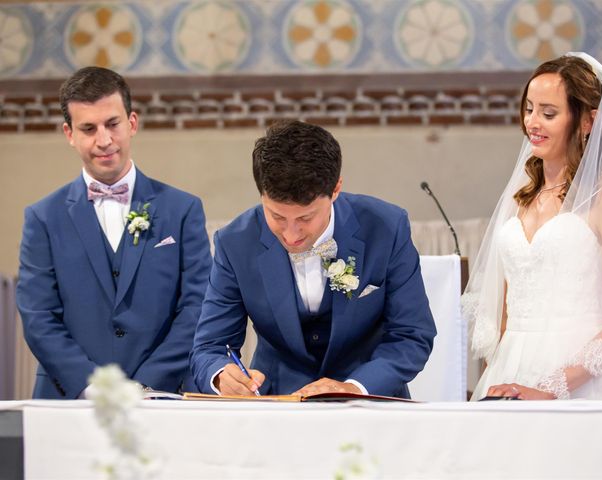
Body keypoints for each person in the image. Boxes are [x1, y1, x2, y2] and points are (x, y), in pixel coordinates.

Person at [190, 120, 436, 398]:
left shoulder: (386, 227)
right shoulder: (235, 242)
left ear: (335, 189)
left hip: (370, 404)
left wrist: (355, 387)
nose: (291, 234)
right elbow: (210, 347)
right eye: (277, 217)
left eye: (305, 217)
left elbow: (412, 335)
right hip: (278, 406)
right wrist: (222, 375)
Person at [16, 66, 212, 399]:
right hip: (70, 400)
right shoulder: (42, 218)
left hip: (164, 397)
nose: (104, 140)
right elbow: (38, 315)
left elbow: (197, 307)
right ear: (69, 134)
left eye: (113, 124)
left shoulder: (182, 210)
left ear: (132, 123)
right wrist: (91, 386)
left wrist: (146, 384)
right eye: (88, 128)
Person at [463, 52, 602, 400]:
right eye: (529, 109)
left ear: (589, 121)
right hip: (510, 367)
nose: (533, 123)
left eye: (548, 113)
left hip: (583, 377)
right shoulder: (521, 196)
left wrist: (549, 389)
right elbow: (504, 308)